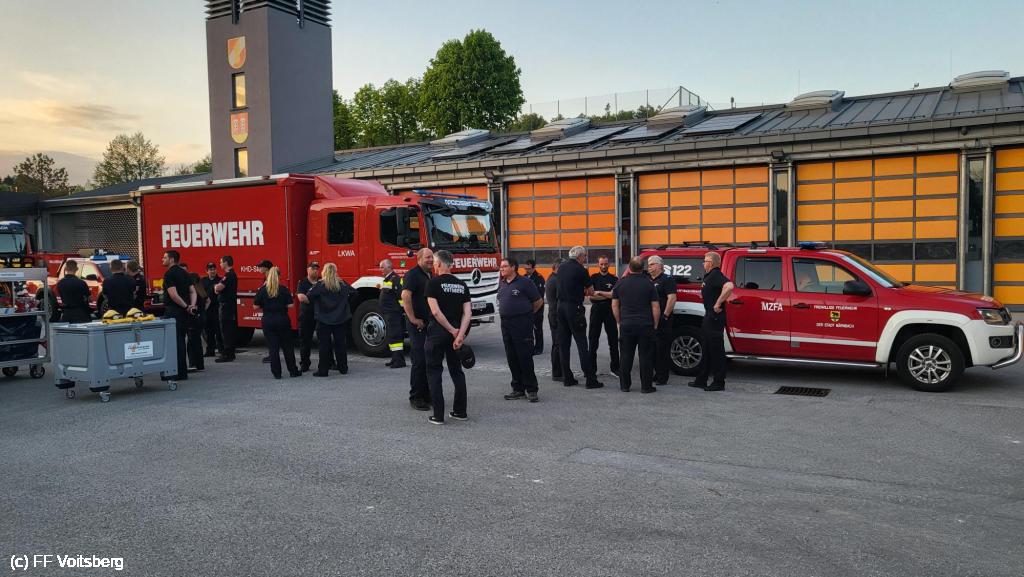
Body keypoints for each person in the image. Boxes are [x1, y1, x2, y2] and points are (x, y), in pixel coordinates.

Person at [424, 250, 472, 424]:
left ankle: (438, 415)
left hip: (438, 332)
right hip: (456, 333)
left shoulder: (433, 283)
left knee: (434, 372)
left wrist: (451, 330)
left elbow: (436, 312)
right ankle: (460, 411)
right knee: (456, 371)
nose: (433, 266)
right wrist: (460, 334)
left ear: (438, 264)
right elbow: (468, 313)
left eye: (434, 263)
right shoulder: (462, 285)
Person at [556, 246, 603, 389]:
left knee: (564, 344)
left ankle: (567, 378)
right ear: (580, 256)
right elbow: (591, 291)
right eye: (585, 256)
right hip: (574, 308)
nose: (585, 259)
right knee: (582, 343)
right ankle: (590, 379)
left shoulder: (561, 267)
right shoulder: (581, 270)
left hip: (560, 307)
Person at [498, 257, 544, 402]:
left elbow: (538, 301)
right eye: (501, 266)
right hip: (506, 324)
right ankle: (518, 389)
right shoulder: (502, 283)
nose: (501, 269)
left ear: (513, 267)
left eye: (504, 266)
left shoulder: (525, 282)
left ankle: (531, 389)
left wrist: (527, 315)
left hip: (522, 324)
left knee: (524, 357)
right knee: (511, 357)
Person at [613, 257, 661, 393]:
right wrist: (655, 324)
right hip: (645, 325)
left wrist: (619, 321)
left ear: (629, 267)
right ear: (642, 268)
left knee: (625, 356)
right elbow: (655, 307)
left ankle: (625, 385)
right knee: (645, 357)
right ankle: (646, 386)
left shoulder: (620, 283)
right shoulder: (649, 284)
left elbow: (614, 305)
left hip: (626, 325)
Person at [689, 252, 735, 392]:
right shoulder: (709, 276)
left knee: (716, 350)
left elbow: (729, 286)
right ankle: (701, 379)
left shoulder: (716, 275)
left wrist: (718, 303)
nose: (703, 263)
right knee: (706, 348)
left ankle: (719, 382)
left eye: (706, 261)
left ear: (712, 263)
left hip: (715, 317)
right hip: (709, 316)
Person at [254, 266, 301, 379]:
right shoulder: (283, 289)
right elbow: (291, 305)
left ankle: (277, 373)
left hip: (268, 320)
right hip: (282, 319)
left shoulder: (263, 290)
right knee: (287, 347)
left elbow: (255, 306)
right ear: (279, 276)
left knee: (273, 348)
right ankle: (293, 371)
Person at [401, 248, 434, 411]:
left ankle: (426, 394)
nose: (431, 260)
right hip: (417, 325)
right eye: (427, 257)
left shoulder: (429, 274)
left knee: (428, 360)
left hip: (428, 324)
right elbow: (405, 297)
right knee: (419, 360)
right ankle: (416, 397)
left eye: (432, 257)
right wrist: (413, 319)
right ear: (419, 258)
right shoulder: (412, 275)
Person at [308, 262, 353, 376]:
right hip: (340, 318)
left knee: (324, 345)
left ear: (324, 272)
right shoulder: (342, 284)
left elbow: (309, 295)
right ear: (335, 272)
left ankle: (323, 370)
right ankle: (343, 368)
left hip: (323, 319)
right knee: (340, 344)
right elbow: (354, 293)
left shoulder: (320, 285)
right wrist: (344, 304)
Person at [161, 250, 196, 382]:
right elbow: (192, 291)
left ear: (171, 259)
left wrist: (186, 306)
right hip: (184, 313)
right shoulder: (185, 273)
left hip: (173, 311)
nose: (162, 259)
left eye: (165, 257)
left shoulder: (169, 274)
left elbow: (173, 295)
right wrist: (191, 306)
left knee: (173, 342)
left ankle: (174, 373)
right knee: (181, 340)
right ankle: (182, 371)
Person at [588, 255, 620, 378]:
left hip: (610, 311)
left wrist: (600, 293)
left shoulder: (614, 279)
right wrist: (607, 295)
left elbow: (614, 295)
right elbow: (590, 296)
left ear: (609, 264)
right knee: (593, 340)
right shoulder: (593, 278)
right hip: (596, 311)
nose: (603, 266)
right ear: (598, 264)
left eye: (605, 264)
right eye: (601, 264)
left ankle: (615, 368)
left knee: (613, 341)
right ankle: (592, 368)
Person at [648, 255, 677, 386]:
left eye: (652, 264)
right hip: (650, 319)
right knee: (652, 348)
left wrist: (665, 316)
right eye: (648, 264)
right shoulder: (647, 279)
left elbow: (672, 298)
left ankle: (662, 376)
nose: (649, 266)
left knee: (662, 349)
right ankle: (656, 373)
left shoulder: (667, 279)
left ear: (660, 265)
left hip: (663, 319)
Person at [379, 259, 406, 369]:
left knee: (396, 337)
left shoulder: (395, 279)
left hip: (394, 313)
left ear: (389, 267)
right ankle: (395, 359)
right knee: (391, 336)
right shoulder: (388, 279)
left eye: (382, 267)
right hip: (389, 313)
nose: (381, 269)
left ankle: (399, 361)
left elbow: (401, 296)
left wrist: (401, 310)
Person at [295, 262, 320, 372]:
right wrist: (315, 301)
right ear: (307, 270)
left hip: (320, 315)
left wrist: (309, 299)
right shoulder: (303, 282)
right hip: (306, 315)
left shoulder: (321, 282)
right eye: (313, 268)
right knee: (305, 340)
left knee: (324, 340)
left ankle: (329, 362)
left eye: (317, 268)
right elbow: (301, 297)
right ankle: (305, 364)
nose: (315, 270)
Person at [214, 255, 238, 363]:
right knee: (229, 330)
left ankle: (227, 354)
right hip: (229, 306)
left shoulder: (228, 275)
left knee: (226, 330)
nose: (220, 264)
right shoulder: (232, 274)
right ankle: (230, 353)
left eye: (221, 262)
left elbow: (218, 288)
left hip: (226, 307)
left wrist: (216, 287)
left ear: (226, 263)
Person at [186, 272, 209, 372]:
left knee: (191, 342)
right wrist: (203, 311)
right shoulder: (201, 290)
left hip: (194, 318)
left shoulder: (192, 292)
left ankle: (193, 364)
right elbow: (208, 301)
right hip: (202, 317)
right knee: (198, 341)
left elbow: (191, 306)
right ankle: (200, 364)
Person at [523, 259, 546, 355]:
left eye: (528, 269)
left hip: (537, 308)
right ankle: (529, 347)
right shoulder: (524, 277)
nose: (526, 270)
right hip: (526, 308)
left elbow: (540, 296)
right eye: (525, 268)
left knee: (537, 329)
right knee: (527, 329)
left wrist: (534, 309)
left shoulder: (539, 278)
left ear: (533, 268)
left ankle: (539, 348)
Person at [201, 263, 223, 357]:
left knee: (219, 331)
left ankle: (221, 350)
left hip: (217, 308)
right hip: (207, 309)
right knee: (208, 331)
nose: (213, 271)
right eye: (210, 269)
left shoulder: (220, 280)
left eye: (214, 269)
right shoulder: (203, 281)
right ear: (207, 271)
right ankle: (210, 351)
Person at [545, 259, 563, 381]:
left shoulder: (553, 278)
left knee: (557, 343)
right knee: (557, 344)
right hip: (556, 315)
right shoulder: (555, 280)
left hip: (554, 314)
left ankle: (558, 371)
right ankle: (557, 373)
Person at [257, 259, 274, 364]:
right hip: (273, 312)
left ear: (266, 268)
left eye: (260, 267)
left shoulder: (269, 280)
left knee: (270, 335)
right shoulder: (269, 278)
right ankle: (272, 355)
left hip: (270, 312)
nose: (259, 268)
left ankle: (272, 356)